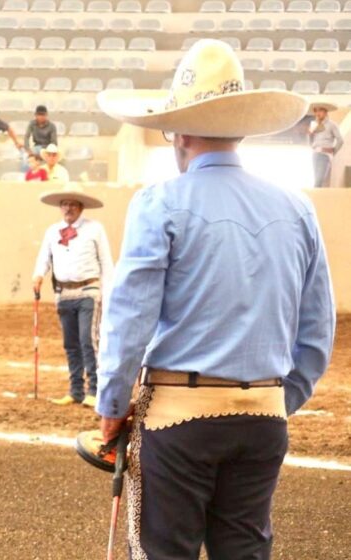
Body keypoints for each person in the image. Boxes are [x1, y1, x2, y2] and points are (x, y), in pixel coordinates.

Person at [95, 39, 332, 558]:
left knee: (165, 551)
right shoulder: (297, 208)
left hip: (181, 416)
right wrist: (274, 399)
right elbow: (316, 335)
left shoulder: (160, 202)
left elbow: (130, 318)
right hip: (265, 416)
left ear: (178, 132)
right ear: (240, 129)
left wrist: (112, 406)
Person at [32, 186, 113, 408]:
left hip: (89, 291)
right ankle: (75, 390)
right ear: (60, 207)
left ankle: (94, 390)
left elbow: (106, 262)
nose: (68, 208)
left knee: (88, 340)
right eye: (65, 204)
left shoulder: (95, 229)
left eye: (73, 204)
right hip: (63, 293)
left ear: (81, 207)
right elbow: (44, 258)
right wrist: (38, 275)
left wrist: (108, 292)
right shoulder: (52, 231)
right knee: (71, 343)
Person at [308, 100, 344, 188]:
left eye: (320, 110)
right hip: (315, 153)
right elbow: (311, 142)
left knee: (319, 180)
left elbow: (340, 140)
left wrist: (333, 152)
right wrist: (310, 136)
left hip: (325, 154)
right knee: (317, 179)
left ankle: (315, 198)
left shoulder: (332, 125)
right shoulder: (314, 124)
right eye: (315, 110)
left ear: (325, 112)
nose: (317, 113)